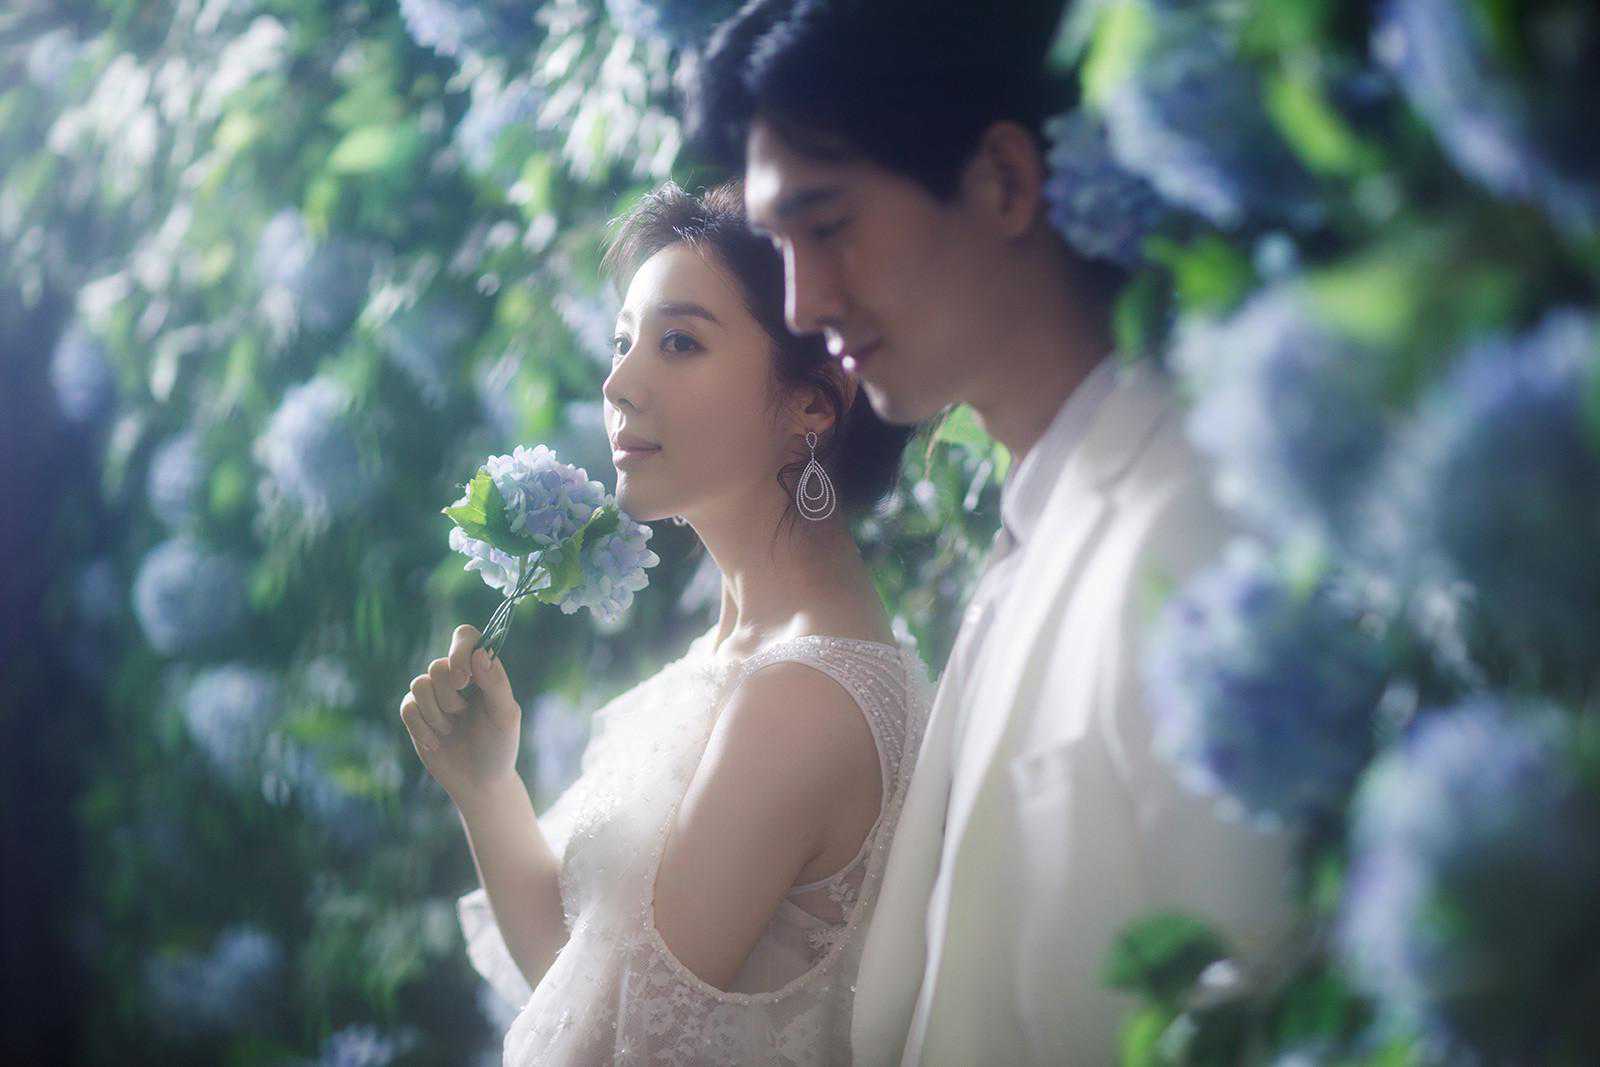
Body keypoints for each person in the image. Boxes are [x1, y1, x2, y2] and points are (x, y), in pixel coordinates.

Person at [689, 3, 1301, 1063]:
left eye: (826, 226)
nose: (802, 305)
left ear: (1005, 182)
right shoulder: (1035, 536)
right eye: (779, 247)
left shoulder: (1194, 530)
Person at [399, 179, 934, 1065]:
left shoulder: (800, 700)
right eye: (623, 342)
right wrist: (485, 785)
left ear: (814, 401)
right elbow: (587, 989)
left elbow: (605, 1048)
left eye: (679, 342)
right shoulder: (739, 658)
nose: (618, 384)